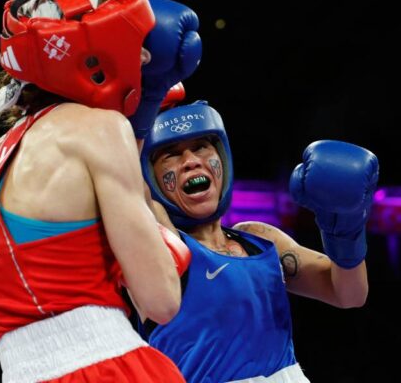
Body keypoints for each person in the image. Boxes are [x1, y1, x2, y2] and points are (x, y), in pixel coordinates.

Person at [0, 0, 201, 382]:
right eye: (133, 43)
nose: (145, 58)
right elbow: (160, 302)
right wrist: (167, 241)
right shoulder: (101, 130)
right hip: (108, 366)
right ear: (91, 55)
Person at [136, 100, 379, 382]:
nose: (190, 160)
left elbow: (349, 294)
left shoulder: (259, 238)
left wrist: (345, 229)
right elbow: (126, 185)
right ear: (149, 175)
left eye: (201, 146)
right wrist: (145, 100)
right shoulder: (159, 246)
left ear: (222, 157)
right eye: (171, 154)